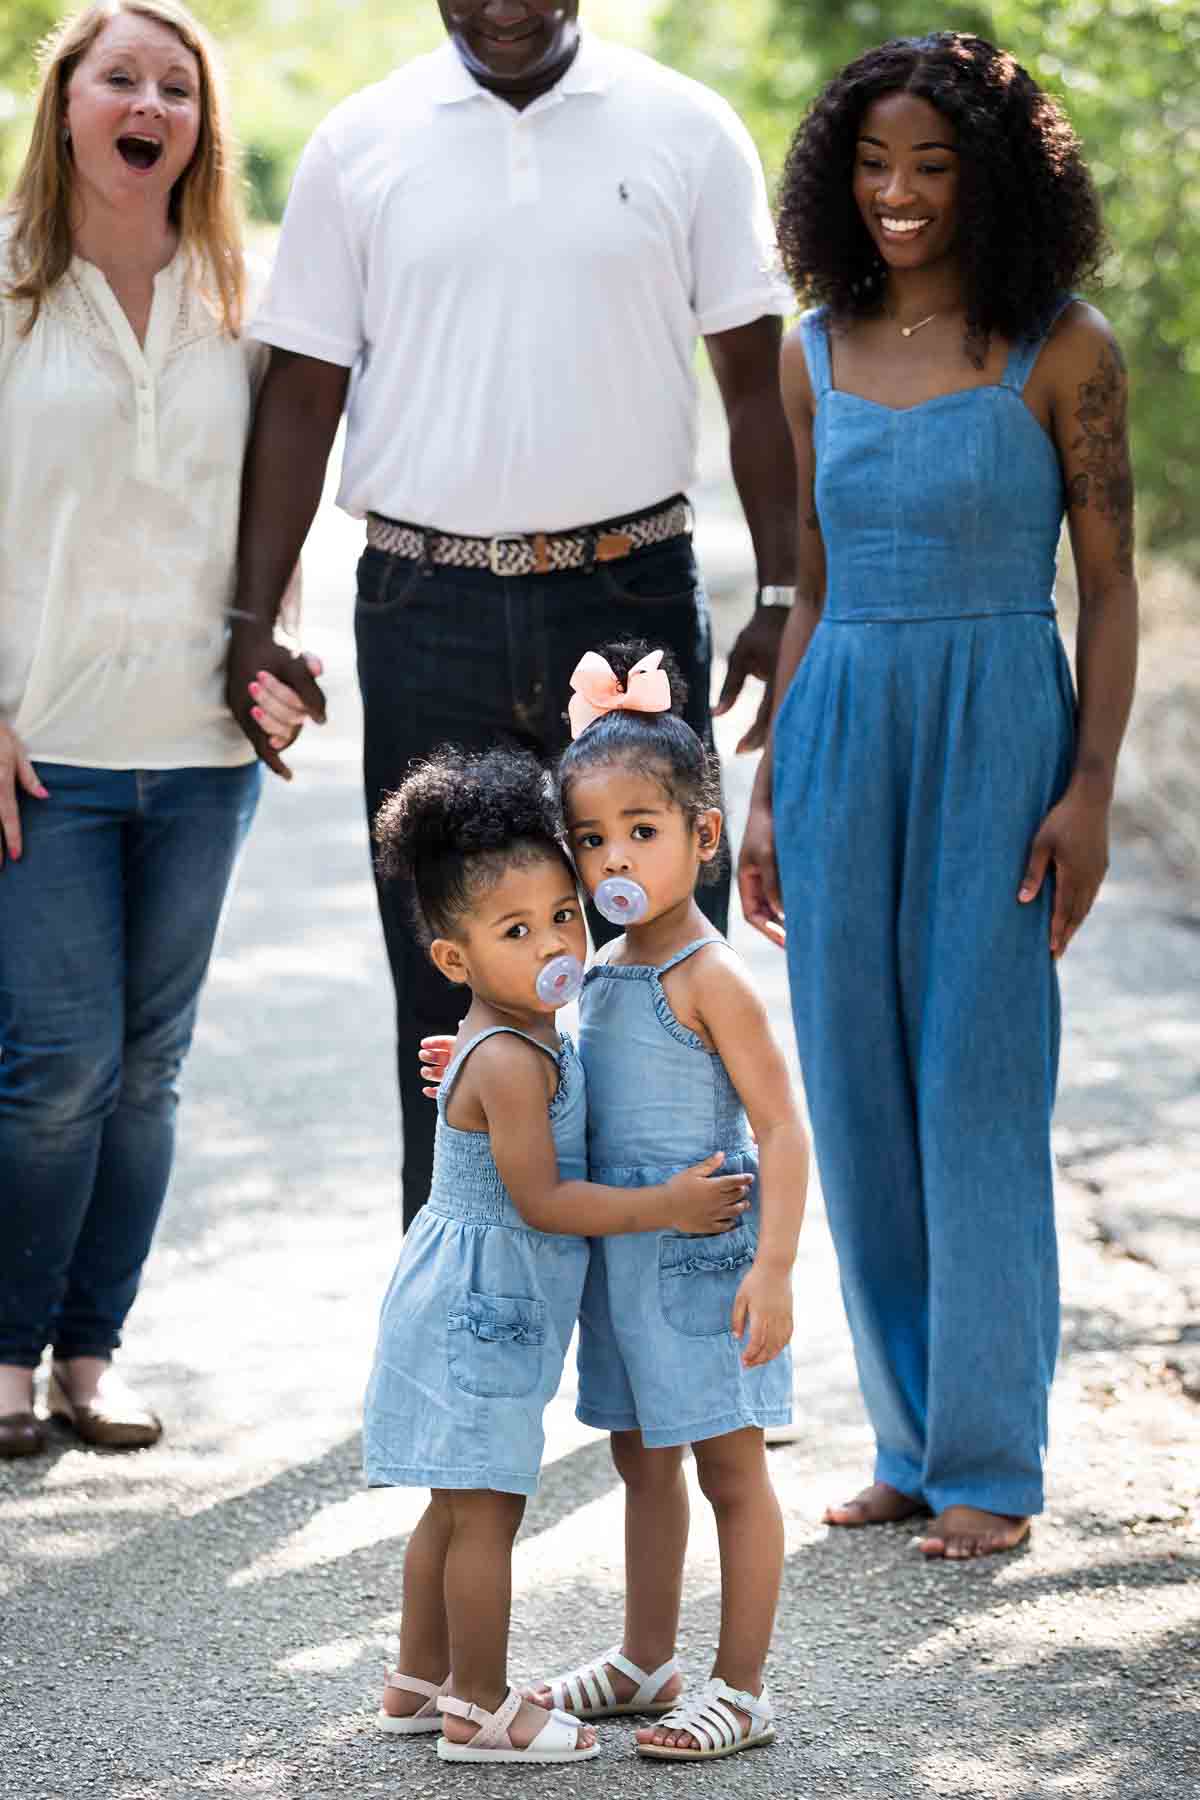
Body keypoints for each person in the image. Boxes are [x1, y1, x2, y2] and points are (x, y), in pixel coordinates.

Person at [227, 0, 799, 1232]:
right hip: (426, 604)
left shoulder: (687, 129)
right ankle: (467, 1318)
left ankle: (677, 1324)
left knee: (657, 969)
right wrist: (250, 615)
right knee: (449, 968)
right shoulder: (359, 142)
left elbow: (759, 385)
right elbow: (301, 395)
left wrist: (786, 591)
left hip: (630, 592)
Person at [738, 33, 1138, 1559]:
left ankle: (992, 1463)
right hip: (842, 734)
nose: (900, 194)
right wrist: (769, 794)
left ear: (996, 176)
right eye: (874, 164)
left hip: (997, 729)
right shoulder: (811, 348)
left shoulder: (1064, 346)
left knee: (978, 1093)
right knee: (856, 1091)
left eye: (935, 164)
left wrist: (1090, 786)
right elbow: (814, 592)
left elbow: (1105, 592)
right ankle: (905, 1438)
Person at [0, 0, 314, 1459]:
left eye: (176, 86)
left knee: (148, 1066)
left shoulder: (239, 300)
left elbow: (276, 508)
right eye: (119, 76)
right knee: (54, 1067)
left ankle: (88, 1353)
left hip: (198, 750)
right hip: (40, 743)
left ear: (201, 125)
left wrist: (279, 654)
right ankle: (5, 1355)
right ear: (66, 103)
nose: (148, 102)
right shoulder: (7, 287)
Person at [362, 745, 754, 1766]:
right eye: (517, 931)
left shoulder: (516, 1032)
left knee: (454, 1500)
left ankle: (415, 1682)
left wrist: (489, 1060)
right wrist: (665, 1203)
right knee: (487, 1506)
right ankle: (482, 1707)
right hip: (487, 1303)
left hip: (468, 1297)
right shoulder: (509, 1052)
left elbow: (529, 1075)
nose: (556, 944)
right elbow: (542, 1196)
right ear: (455, 962)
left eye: (565, 916)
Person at [519, 641, 806, 1761]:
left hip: (705, 1267)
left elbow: (781, 1126)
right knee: (639, 1458)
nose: (613, 858)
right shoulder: (596, 967)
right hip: (623, 1263)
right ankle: (647, 1659)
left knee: (730, 1467)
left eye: (642, 830)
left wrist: (774, 1270)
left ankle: (742, 1687)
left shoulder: (709, 975)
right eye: (591, 839)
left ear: (702, 835)